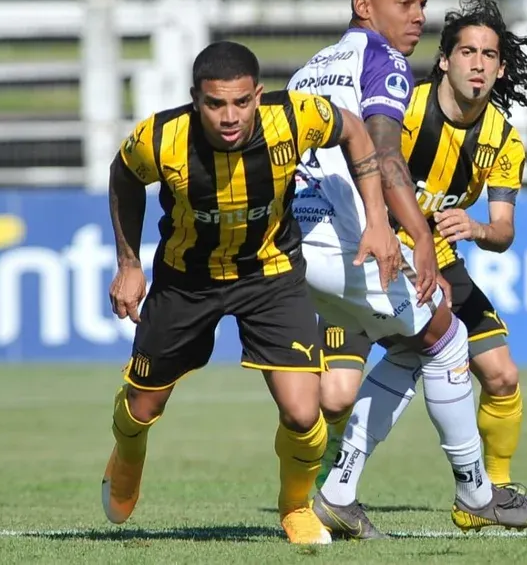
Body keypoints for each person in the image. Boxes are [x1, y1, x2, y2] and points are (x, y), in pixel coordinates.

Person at [288, 0, 527, 539]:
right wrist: (410, 234)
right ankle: (476, 495)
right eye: (406, 3)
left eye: (422, 4)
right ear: (365, 7)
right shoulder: (387, 68)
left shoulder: (313, 69)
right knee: (441, 339)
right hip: (358, 243)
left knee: (427, 346)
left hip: (300, 243)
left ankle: (340, 495)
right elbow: (385, 159)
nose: (418, 16)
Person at [101, 40, 401, 545]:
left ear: (258, 96)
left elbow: (353, 129)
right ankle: (128, 453)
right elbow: (124, 174)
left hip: (271, 274)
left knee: (304, 413)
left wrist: (378, 220)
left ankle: (296, 507)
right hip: (187, 279)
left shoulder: (294, 117)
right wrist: (129, 264)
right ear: (196, 99)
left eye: (241, 102)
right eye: (215, 104)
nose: (229, 116)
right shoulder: (161, 138)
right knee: (142, 407)